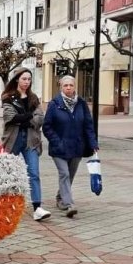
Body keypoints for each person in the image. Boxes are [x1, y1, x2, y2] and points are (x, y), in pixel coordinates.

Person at [42, 75, 99, 218]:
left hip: (76, 146)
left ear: (75, 87)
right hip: (59, 148)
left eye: (71, 85)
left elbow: (88, 125)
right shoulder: (54, 104)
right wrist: (56, 141)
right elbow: (47, 127)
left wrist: (93, 143)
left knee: (70, 175)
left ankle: (60, 197)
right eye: (65, 85)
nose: (68, 88)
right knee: (65, 174)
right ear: (61, 87)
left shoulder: (81, 104)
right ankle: (69, 204)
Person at [2, 69, 50, 221]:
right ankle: (5, 205)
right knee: (8, 172)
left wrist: (23, 119)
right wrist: (29, 116)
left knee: (34, 173)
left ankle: (37, 208)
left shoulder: (33, 98)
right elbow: (10, 117)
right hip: (13, 140)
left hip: (31, 140)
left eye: (29, 79)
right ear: (17, 79)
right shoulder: (8, 97)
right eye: (24, 79)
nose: (27, 82)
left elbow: (40, 118)